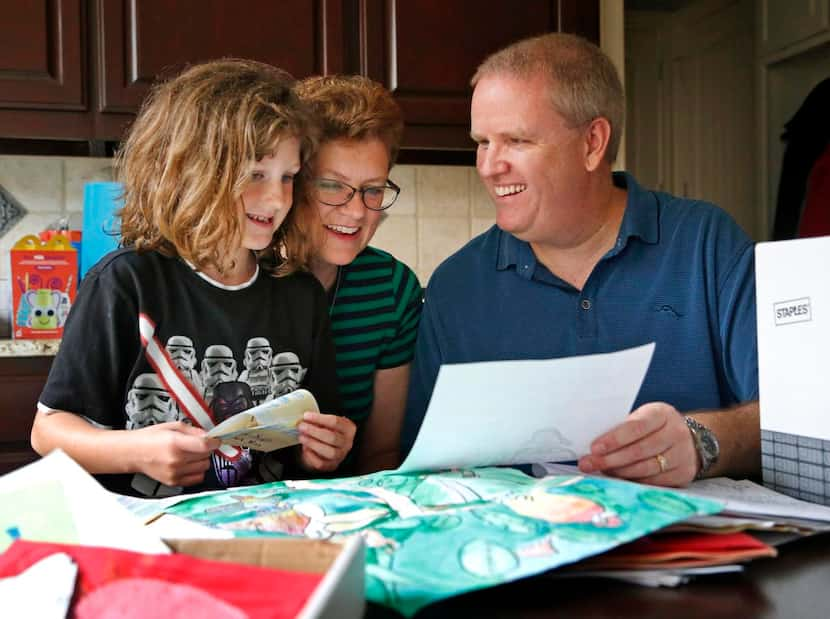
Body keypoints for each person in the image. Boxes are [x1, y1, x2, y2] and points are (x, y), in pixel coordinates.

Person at [401, 33, 759, 487]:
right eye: (482, 142)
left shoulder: (708, 245)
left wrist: (702, 441)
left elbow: (794, 421)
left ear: (593, 142)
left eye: (516, 140)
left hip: (690, 547)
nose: (490, 166)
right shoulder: (455, 287)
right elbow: (421, 471)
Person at [30, 59, 355, 496]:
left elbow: (310, 437)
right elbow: (48, 431)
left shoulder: (301, 297)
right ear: (193, 170)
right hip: (149, 529)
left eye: (289, 177)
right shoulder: (125, 284)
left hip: (268, 523)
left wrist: (324, 448)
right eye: (255, 175)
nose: (276, 199)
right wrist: (134, 450)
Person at [295, 75, 422, 473]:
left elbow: (381, 455)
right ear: (294, 181)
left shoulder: (392, 289)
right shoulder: (240, 275)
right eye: (333, 186)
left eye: (374, 189)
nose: (356, 212)